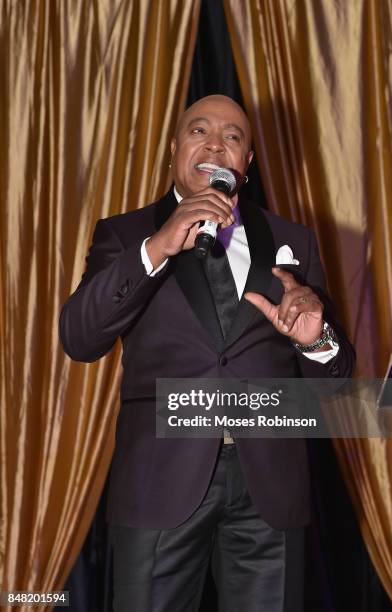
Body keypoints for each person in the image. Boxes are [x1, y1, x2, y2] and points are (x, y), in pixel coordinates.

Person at [59, 95, 355, 612]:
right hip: (159, 482)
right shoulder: (126, 235)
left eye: (233, 137)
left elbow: (335, 382)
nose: (216, 143)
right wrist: (158, 246)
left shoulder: (293, 241)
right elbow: (80, 339)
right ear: (175, 148)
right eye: (199, 131)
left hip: (270, 489)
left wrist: (315, 340)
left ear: (247, 162)